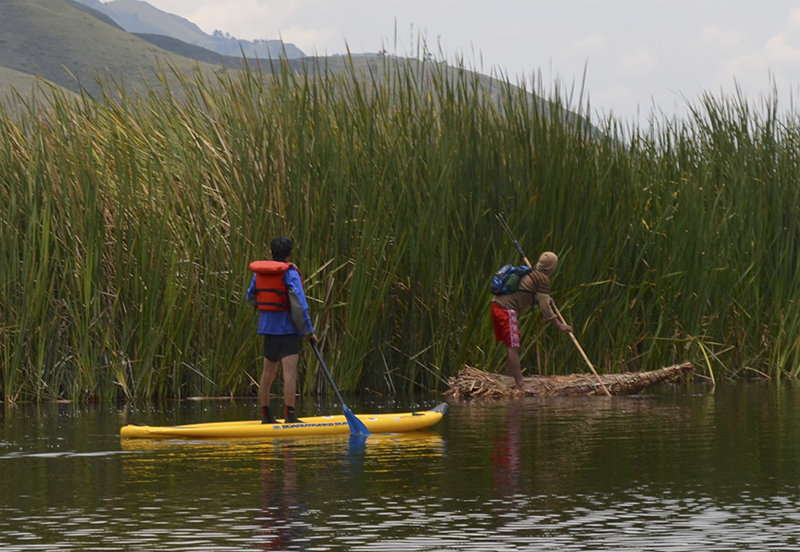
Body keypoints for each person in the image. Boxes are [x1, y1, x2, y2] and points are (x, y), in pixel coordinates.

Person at [247, 237, 318, 424]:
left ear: (271, 253)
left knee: (267, 374)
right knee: (289, 373)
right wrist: (309, 332)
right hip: (287, 331)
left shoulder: (260, 273)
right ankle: (290, 416)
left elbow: (251, 296)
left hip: (268, 329)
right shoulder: (290, 273)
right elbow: (300, 305)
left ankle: (266, 415)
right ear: (290, 253)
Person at [490, 251, 572, 390]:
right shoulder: (542, 279)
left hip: (496, 306)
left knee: (512, 344)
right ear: (552, 267)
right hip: (506, 309)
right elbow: (545, 308)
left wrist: (542, 300)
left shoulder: (531, 273)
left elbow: (526, 295)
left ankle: (511, 378)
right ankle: (520, 384)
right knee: (513, 346)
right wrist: (559, 325)